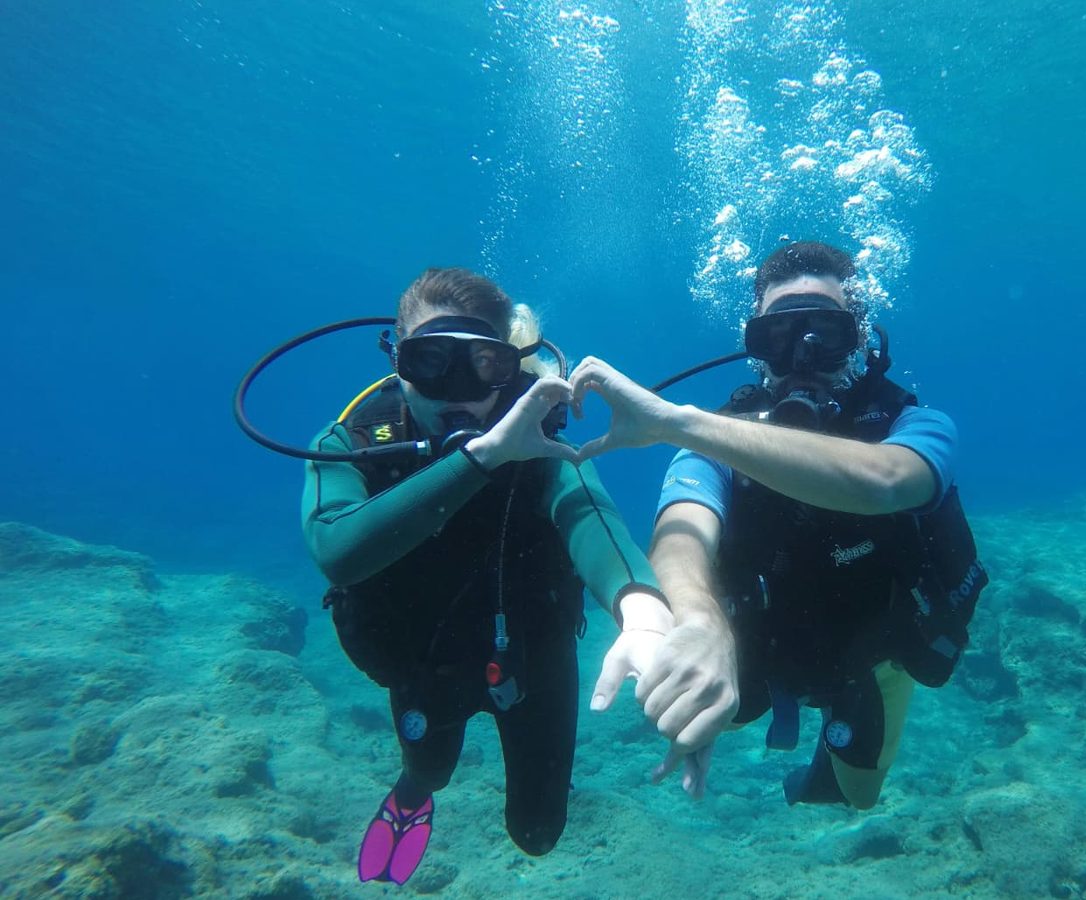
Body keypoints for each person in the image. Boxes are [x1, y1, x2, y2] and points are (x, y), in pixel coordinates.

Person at [569, 241, 987, 809]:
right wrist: (697, 621)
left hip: (874, 655)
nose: (803, 357)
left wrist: (677, 423)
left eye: (826, 334)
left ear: (859, 338)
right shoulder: (712, 437)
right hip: (762, 648)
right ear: (756, 349)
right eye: (780, 337)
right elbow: (679, 531)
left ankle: (830, 758)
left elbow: (887, 480)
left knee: (859, 796)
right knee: (721, 711)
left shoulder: (914, 423)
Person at [302, 268, 672, 884]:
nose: (457, 390)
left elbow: (586, 508)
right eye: (430, 360)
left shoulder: (540, 445)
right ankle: (411, 801)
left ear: (509, 368)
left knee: (538, 833)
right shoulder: (356, 440)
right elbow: (338, 549)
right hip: (425, 660)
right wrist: (484, 456)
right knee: (429, 770)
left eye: (482, 365)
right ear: (397, 361)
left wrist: (641, 605)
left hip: (531, 659)